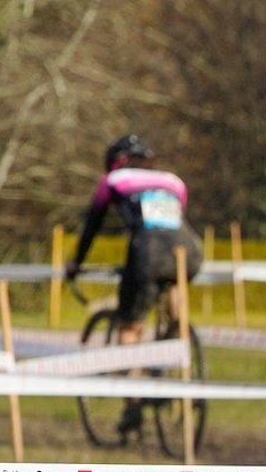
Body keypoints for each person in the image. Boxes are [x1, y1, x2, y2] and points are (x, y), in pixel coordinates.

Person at [65, 134, 202, 440]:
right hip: (190, 249)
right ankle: (178, 339)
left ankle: (133, 399)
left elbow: (92, 226)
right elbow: (170, 223)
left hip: (148, 252)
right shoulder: (173, 181)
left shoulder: (114, 180)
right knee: (170, 285)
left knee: (130, 325)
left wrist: (75, 263)